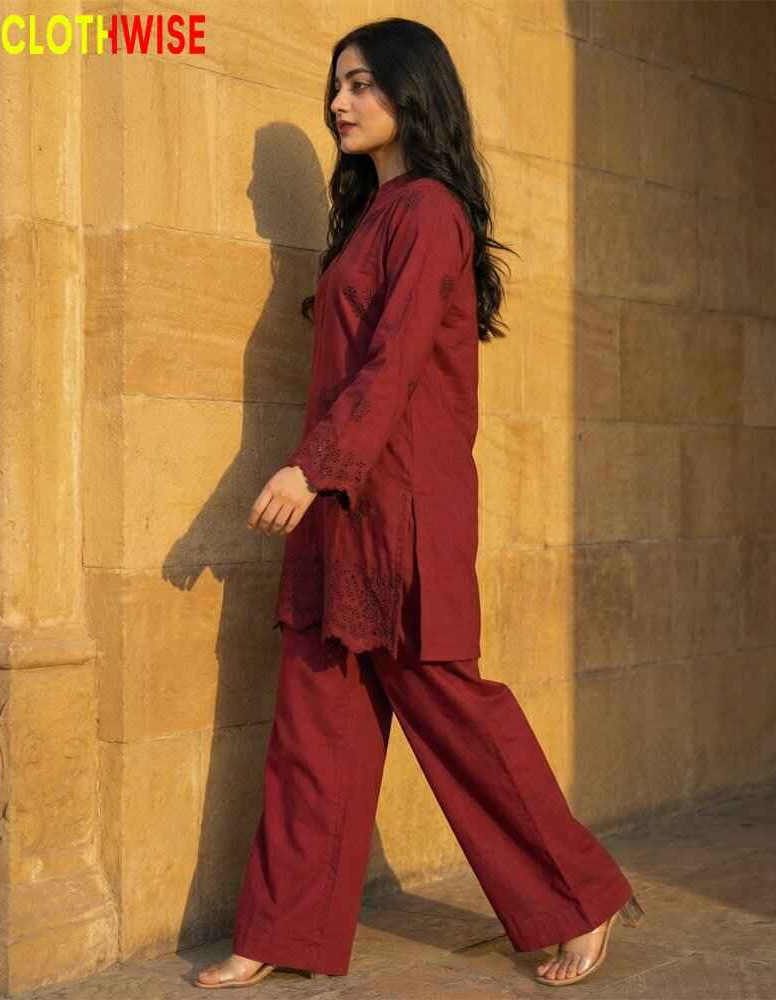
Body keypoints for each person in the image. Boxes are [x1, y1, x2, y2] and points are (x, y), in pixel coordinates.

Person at [195, 17, 643, 991]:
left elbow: (394, 366)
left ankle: (581, 894)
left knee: (457, 716)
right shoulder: (370, 217)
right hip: (338, 516)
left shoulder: (430, 211)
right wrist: (317, 481)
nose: (339, 103)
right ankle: (281, 928)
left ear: (412, 92)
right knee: (314, 724)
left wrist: (309, 468)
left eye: (359, 84)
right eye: (334, 85)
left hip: (397, 512)